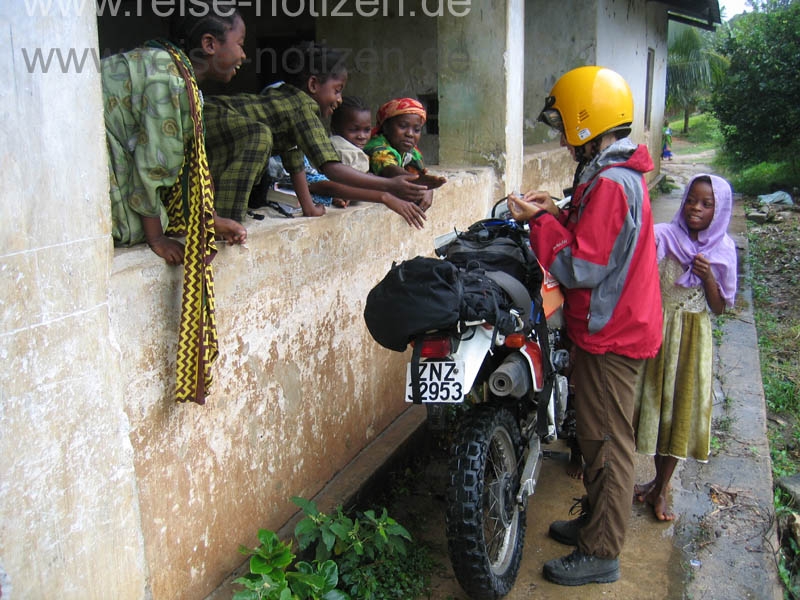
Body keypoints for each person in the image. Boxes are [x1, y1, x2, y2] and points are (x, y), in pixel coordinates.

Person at [507, 65, 663, 586]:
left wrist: (539, 223)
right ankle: (595, 524)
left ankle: (602, 551)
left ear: (585, 123)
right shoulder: (611, 177)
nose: (561, 139)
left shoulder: (613, 184)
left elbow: (581, 266)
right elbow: (599, 230)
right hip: (615, 325)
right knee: (597, 436)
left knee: (608, 443)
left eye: (564, 129)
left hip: (612, 333)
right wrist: (563, 207)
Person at [101, 6, 248, 404]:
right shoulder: (169, 79)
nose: (243, 56)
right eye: (239, 45)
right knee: (128, 227)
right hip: (96, 159)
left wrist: (209, 221)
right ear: (209, 44)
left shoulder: (170, 68)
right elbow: (155, 167)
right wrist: (157, 237)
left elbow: (177, 169)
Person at [203, 42, 429, 225]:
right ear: (312, 84)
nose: (339, 99)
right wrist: (387, 188)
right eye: (337, 90)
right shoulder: (301, 108)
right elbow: (333, 168)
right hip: (210, 116)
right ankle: (224, 218)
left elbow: (294, 161)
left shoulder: (288, 107)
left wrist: (309, 208)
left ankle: (216, 216)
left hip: (211, 117)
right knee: (260, 137)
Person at [634, 174, 737, 521]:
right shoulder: (664, 235)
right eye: (692, 199)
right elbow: (643, 273)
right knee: (653, 406)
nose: (696, 208)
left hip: (692, 335)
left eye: (707, 204)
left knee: (679, 412)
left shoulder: (722, 250)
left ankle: (661, 489)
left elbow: (720, 308)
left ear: (719, 211)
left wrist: (708, 276)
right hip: (658, 330)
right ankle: (654, 481)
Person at [364, 97, 447, 211]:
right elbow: (389, 169)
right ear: (385, 127)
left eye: (416, 130)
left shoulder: (412, 151)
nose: (410, 134)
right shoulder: (378, 145)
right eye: (403, 126)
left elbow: (417, 172)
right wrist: (418, 182)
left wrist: (427, 187)